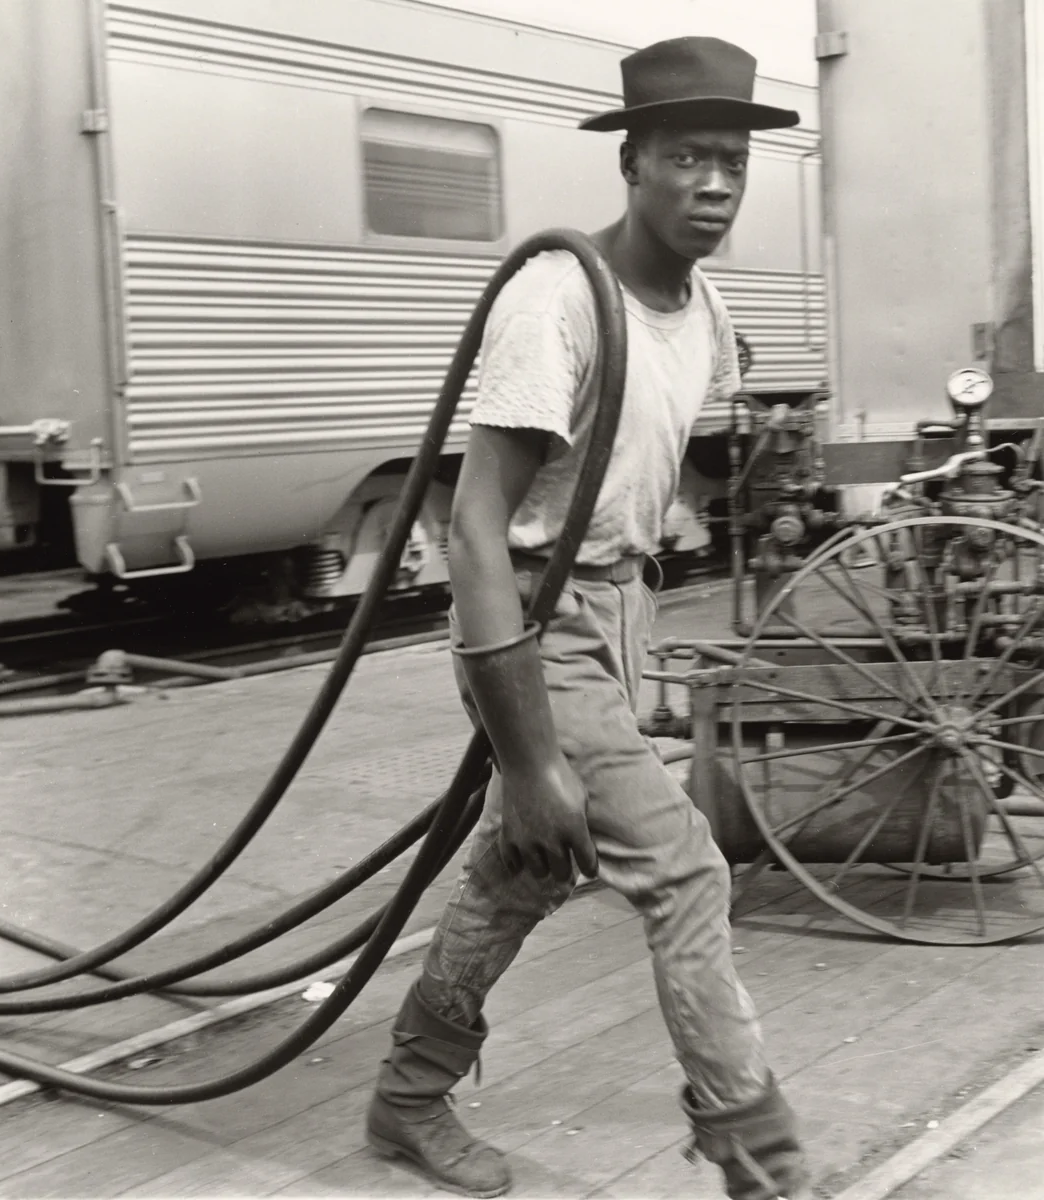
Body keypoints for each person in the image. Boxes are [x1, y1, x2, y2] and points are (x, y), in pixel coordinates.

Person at [365, 36, 811, 1200]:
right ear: (631, 162)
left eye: (731, 162)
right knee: (683, 872)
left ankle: (406, 1100)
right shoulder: (557, 304)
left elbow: (651, 476)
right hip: (529, 622)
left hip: (615, 612)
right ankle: (760, 1161)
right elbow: (472, 533)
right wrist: (525, 753)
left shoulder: (704, 305)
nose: (713, 184)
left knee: (526, 868)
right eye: (685, 158)